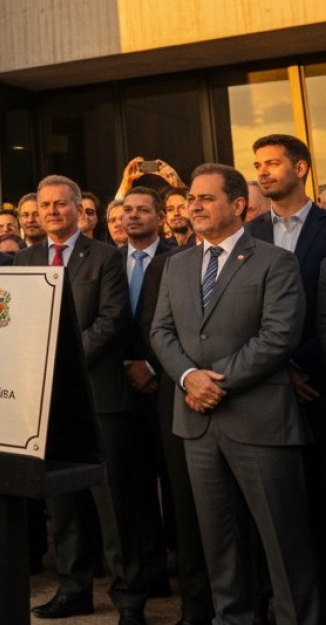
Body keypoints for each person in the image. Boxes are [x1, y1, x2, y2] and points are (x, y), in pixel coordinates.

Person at [150, 163, 319, 624]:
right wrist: (188, 378)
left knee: (284, 547)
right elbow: (161, 332)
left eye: (206, 198)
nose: (195, 206)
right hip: (198, 427)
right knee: (220, 546)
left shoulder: (274, 262)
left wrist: (212, 381)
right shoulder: (176, 264)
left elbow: (279, 335)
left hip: (260, 422)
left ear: (238, 205)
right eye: (192, 199)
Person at [14, 175, 147, 624]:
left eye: (61, 204)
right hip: (46, 403)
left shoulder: (106, 257)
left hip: (98, 397)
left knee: (112, 505)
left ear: (78, 208)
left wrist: (61, 362)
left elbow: (113, 322)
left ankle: (129, 599)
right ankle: (74, 588)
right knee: (63, 503)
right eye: (44, 205)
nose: (52, 211)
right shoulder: (25, 258)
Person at [119, 187, 213, 624]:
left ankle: (194, 592)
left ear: (160, 217)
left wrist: (154, 369)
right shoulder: (107, 259)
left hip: (171, 388)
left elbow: (167, 326)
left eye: (143, 210)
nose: (133, 217)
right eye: (127, 210)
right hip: (120, 391)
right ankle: (150, 576)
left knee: (180, 494)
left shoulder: (176, 259)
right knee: (134, 491)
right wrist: (127, 364)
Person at [247, 132, 326, 589]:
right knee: (273, 514)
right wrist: (277, 369)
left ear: (300, 168)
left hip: (318, 388)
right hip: (262, 394)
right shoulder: (249, 235)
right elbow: (238, 314)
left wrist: (298, 366)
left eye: (273, 163)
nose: (262, 172)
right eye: (258, 165)